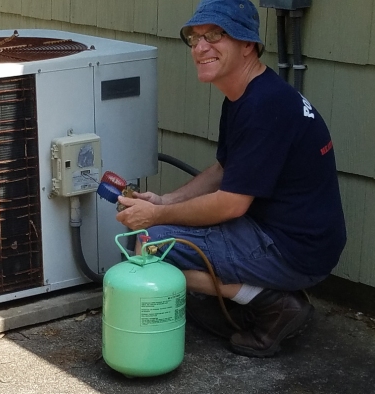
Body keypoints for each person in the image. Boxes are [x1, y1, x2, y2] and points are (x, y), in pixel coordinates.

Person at [115, 0, 346, 358]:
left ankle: (273, 303)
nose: (201, 47)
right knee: (154, 236)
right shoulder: (249, 94)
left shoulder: (264, 106)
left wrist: (156, 217)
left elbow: (231, 203)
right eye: (195, 38)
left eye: (215, 35)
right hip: (289, 235)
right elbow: (224, 169)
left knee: (148, 245)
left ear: (247, 44)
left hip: (292, 250)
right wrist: (164, 201)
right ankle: (253, 297)